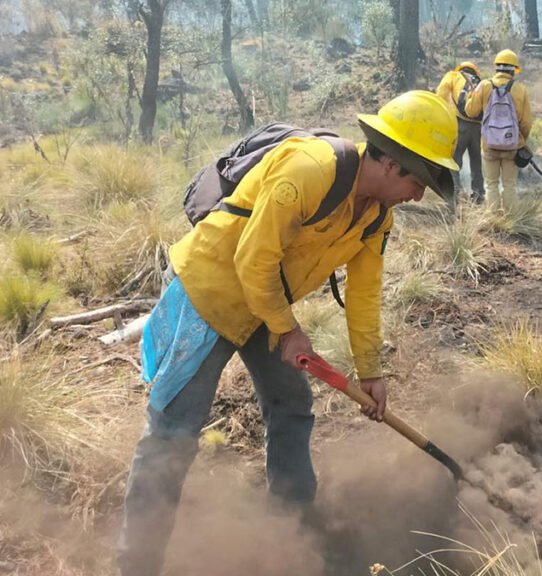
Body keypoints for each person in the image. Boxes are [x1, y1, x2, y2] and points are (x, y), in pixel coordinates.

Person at [117, 91, 459, 576]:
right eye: (420, 181)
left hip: (264, 307)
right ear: (392, 164)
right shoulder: (309, 170)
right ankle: (136, 564)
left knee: (291, 407)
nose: (419, 195)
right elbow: (252, 260)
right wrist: (289, 331)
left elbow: (364, 294)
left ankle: (294, 526)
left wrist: (371, 371)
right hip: (209, 295)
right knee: (173, 435)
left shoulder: (377, 214)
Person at [464, 49, 532, 209]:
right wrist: (521, 142)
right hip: (512, 145)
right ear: (514, 70)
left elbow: (470, 111)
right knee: (509, 185)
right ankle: (512, 220)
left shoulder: (484, 85)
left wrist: (471, 94)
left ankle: (493, 218)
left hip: (489, 145)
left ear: (496, 67)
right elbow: (526, 122)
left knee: (491, 184)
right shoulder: (520, 89)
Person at [436, 61, 484, 203]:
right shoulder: (480, 83)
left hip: (460, 124)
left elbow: (441, 93)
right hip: (477, 126)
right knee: (476, 160)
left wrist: (443, 115)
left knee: (455, 160)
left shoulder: (453, 75)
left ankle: (455, 192)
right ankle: (478, 194)